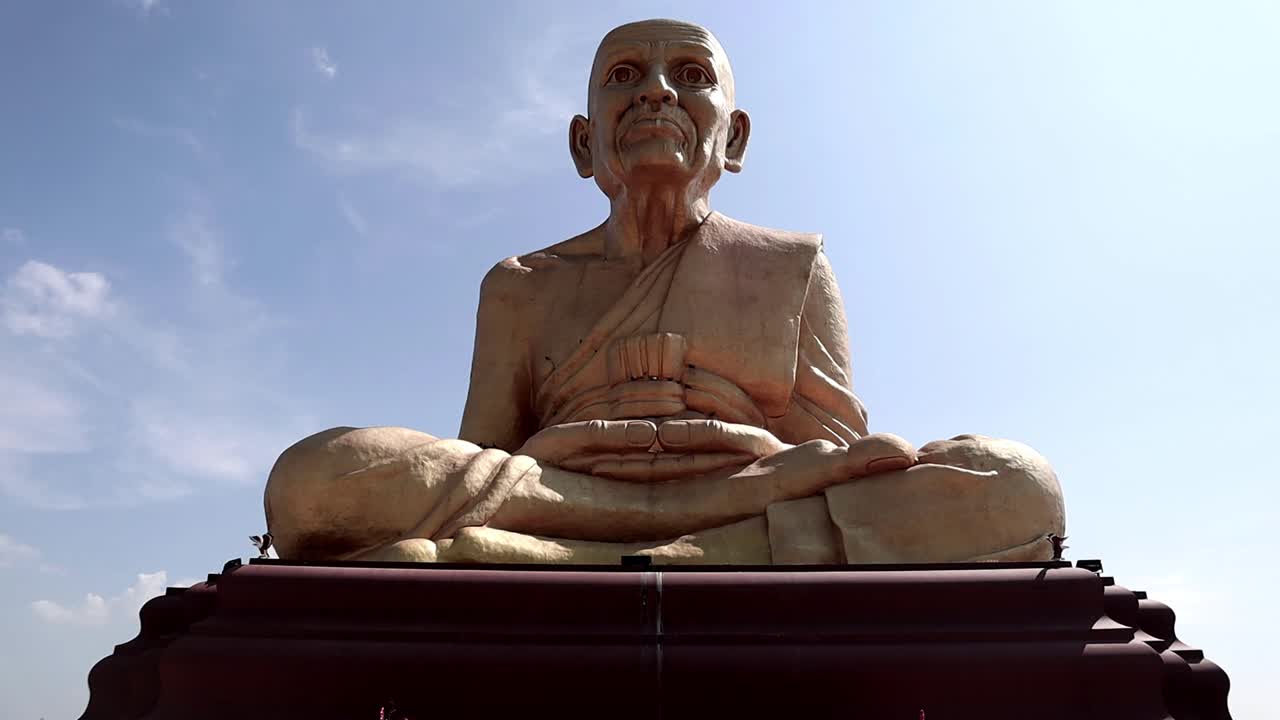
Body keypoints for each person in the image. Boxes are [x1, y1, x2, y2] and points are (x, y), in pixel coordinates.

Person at [264, 19, 1064, 565]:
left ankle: (568, 561)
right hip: (562, 493)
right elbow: (484, 462)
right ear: (584, 143)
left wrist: (740, 431)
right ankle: (675, 552)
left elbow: (839, 457)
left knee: (1018, 484)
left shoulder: (791, 265)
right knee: (312, 481)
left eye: (690, 76)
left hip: (745, 493)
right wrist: (573, 446)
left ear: (733, 137)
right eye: (625, 77)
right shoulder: (521, 285)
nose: (656, 92)